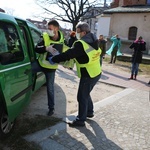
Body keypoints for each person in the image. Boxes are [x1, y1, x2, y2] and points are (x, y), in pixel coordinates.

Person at [48, 22, 102, 127]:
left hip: (88, 74)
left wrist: (54, 58)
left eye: (78, 32)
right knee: (86, 93)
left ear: (84, 32)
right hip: (96, 72)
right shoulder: (94, 40)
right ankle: (89, 112)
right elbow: (80, 52)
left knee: (81, 96)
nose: (76, 34)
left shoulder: (81, 44)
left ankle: (80, 120)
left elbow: (69, 54)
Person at [32, 20, 65, 116]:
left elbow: (65, 52)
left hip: (51, 68)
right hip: (40, 64)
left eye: (50, 29)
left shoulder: (62, 39)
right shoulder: (45, 36)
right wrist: (46, 48)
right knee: (25, 71)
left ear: (56, 28)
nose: (48, 30)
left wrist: (66, 62)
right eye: (48, 28)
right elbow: (37, 48)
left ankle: (51, 109)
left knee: (50, 89)